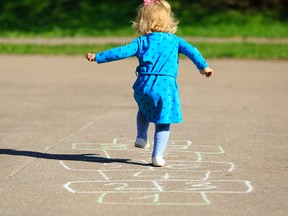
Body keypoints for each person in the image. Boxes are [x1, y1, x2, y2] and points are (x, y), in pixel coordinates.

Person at [86, 0, 213, 167]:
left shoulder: (142, 41)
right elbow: (192, 51)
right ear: (168, 20)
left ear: (142, 22)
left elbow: (121, 52)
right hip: (165, 86)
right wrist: (203, 66)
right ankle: (157, 156)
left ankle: (141, 136)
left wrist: (98, 57)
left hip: (143, 85)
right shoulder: (175, 41)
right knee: (163, 121)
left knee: (144, 110)